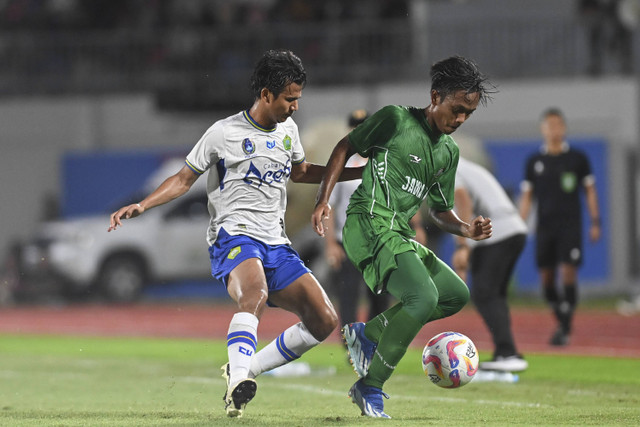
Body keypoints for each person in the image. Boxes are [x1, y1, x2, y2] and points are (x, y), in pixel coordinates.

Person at [108, 49, 362, 418]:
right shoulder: (224, 133)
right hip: (234, 235)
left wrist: (355, 173)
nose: (294, 107)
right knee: (254, 294)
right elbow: (183, 179)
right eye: (289, 99)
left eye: (298, 99)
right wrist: (144, 205)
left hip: (275, 241)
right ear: (266, 95)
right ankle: (239, 377)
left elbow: (301, 171)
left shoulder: (289, 132)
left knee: (324, 319)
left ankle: (243, 372)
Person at [311, 56, 495, 418]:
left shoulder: (448, 151)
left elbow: (441, 211)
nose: (459, 120)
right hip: (367, 223)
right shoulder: (395, 119)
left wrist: (465, 228)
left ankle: (370, 332)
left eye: (467, 114)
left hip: (398, 232)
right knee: (423, 297)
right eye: (456, 109)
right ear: (434, 96)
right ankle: (371, 386)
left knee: (456, 295)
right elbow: (343, 148)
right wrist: (322, 202)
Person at [324, 110, 428, 327]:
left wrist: (416, 226)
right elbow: (329, 206)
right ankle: (351, 344)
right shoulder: (340, 162)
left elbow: (405, 195)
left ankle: (371, 339)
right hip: (349, 241)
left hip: (381, 240)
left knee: (381, 295)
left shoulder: (387, 158)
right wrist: (331, 243)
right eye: (355, 126)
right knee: (348, 294)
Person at [519, 108, 601, 346]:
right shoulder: (535, 161)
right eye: (549, 125)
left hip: (570, 226)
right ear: (542, 129)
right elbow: (527, 197)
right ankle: (562, 318)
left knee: (568, 271)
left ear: (563, 128)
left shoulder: (577, 158)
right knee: (546, 279)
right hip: (545, 228)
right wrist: (519, 225)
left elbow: (590, 191)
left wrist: (596, 221)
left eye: (558, 125)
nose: (554, 130)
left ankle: (564, 327)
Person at [451, 157, 528, 372]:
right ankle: (506, 352)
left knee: (484, 293)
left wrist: (462, 246)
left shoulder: (447, 164)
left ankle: (507, 352)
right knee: (494, 295)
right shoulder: (468, 166)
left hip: (496, 232)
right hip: (513, 229)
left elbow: (462, 199)